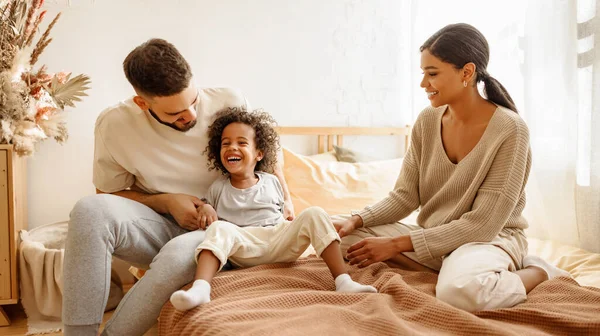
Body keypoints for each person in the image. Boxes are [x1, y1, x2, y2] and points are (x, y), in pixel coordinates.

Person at [62, 38, 295, 336]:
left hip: (224, 231)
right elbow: (107, 195)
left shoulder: (229, 100)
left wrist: (287, 200)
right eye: (176, 114)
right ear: (142, 103)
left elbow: (268, 158)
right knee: (88, 210)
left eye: (193, 101)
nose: (192, 116)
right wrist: (167, 201)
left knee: (178, 255)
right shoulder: (114, 125)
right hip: (160, 225)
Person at [332, 23, 570, 312]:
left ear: (466, 73)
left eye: (432, 74)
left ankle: (539, 270)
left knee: (460, 292)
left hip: (488, 238)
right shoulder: (427, 121)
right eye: (423, 74)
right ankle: (447, 266)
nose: (423, 84)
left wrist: (396, 245)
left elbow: (482, 223)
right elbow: (405, 196)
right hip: (437, 236)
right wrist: (356, 220)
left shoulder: (510, 130)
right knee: (336, 235)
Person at [169, 108, 377, 311]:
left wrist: (290, 217)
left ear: (259, 154)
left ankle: (343, 281)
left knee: (314, 213)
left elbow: (282, 214)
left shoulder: (271, 181)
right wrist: (205, 207)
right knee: (219, 229)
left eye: (241, 143)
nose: (232, 147)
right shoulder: (218, 187)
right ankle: (201, 289)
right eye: (226, 144)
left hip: (278, 241)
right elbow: (210, 217)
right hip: (244, 247)